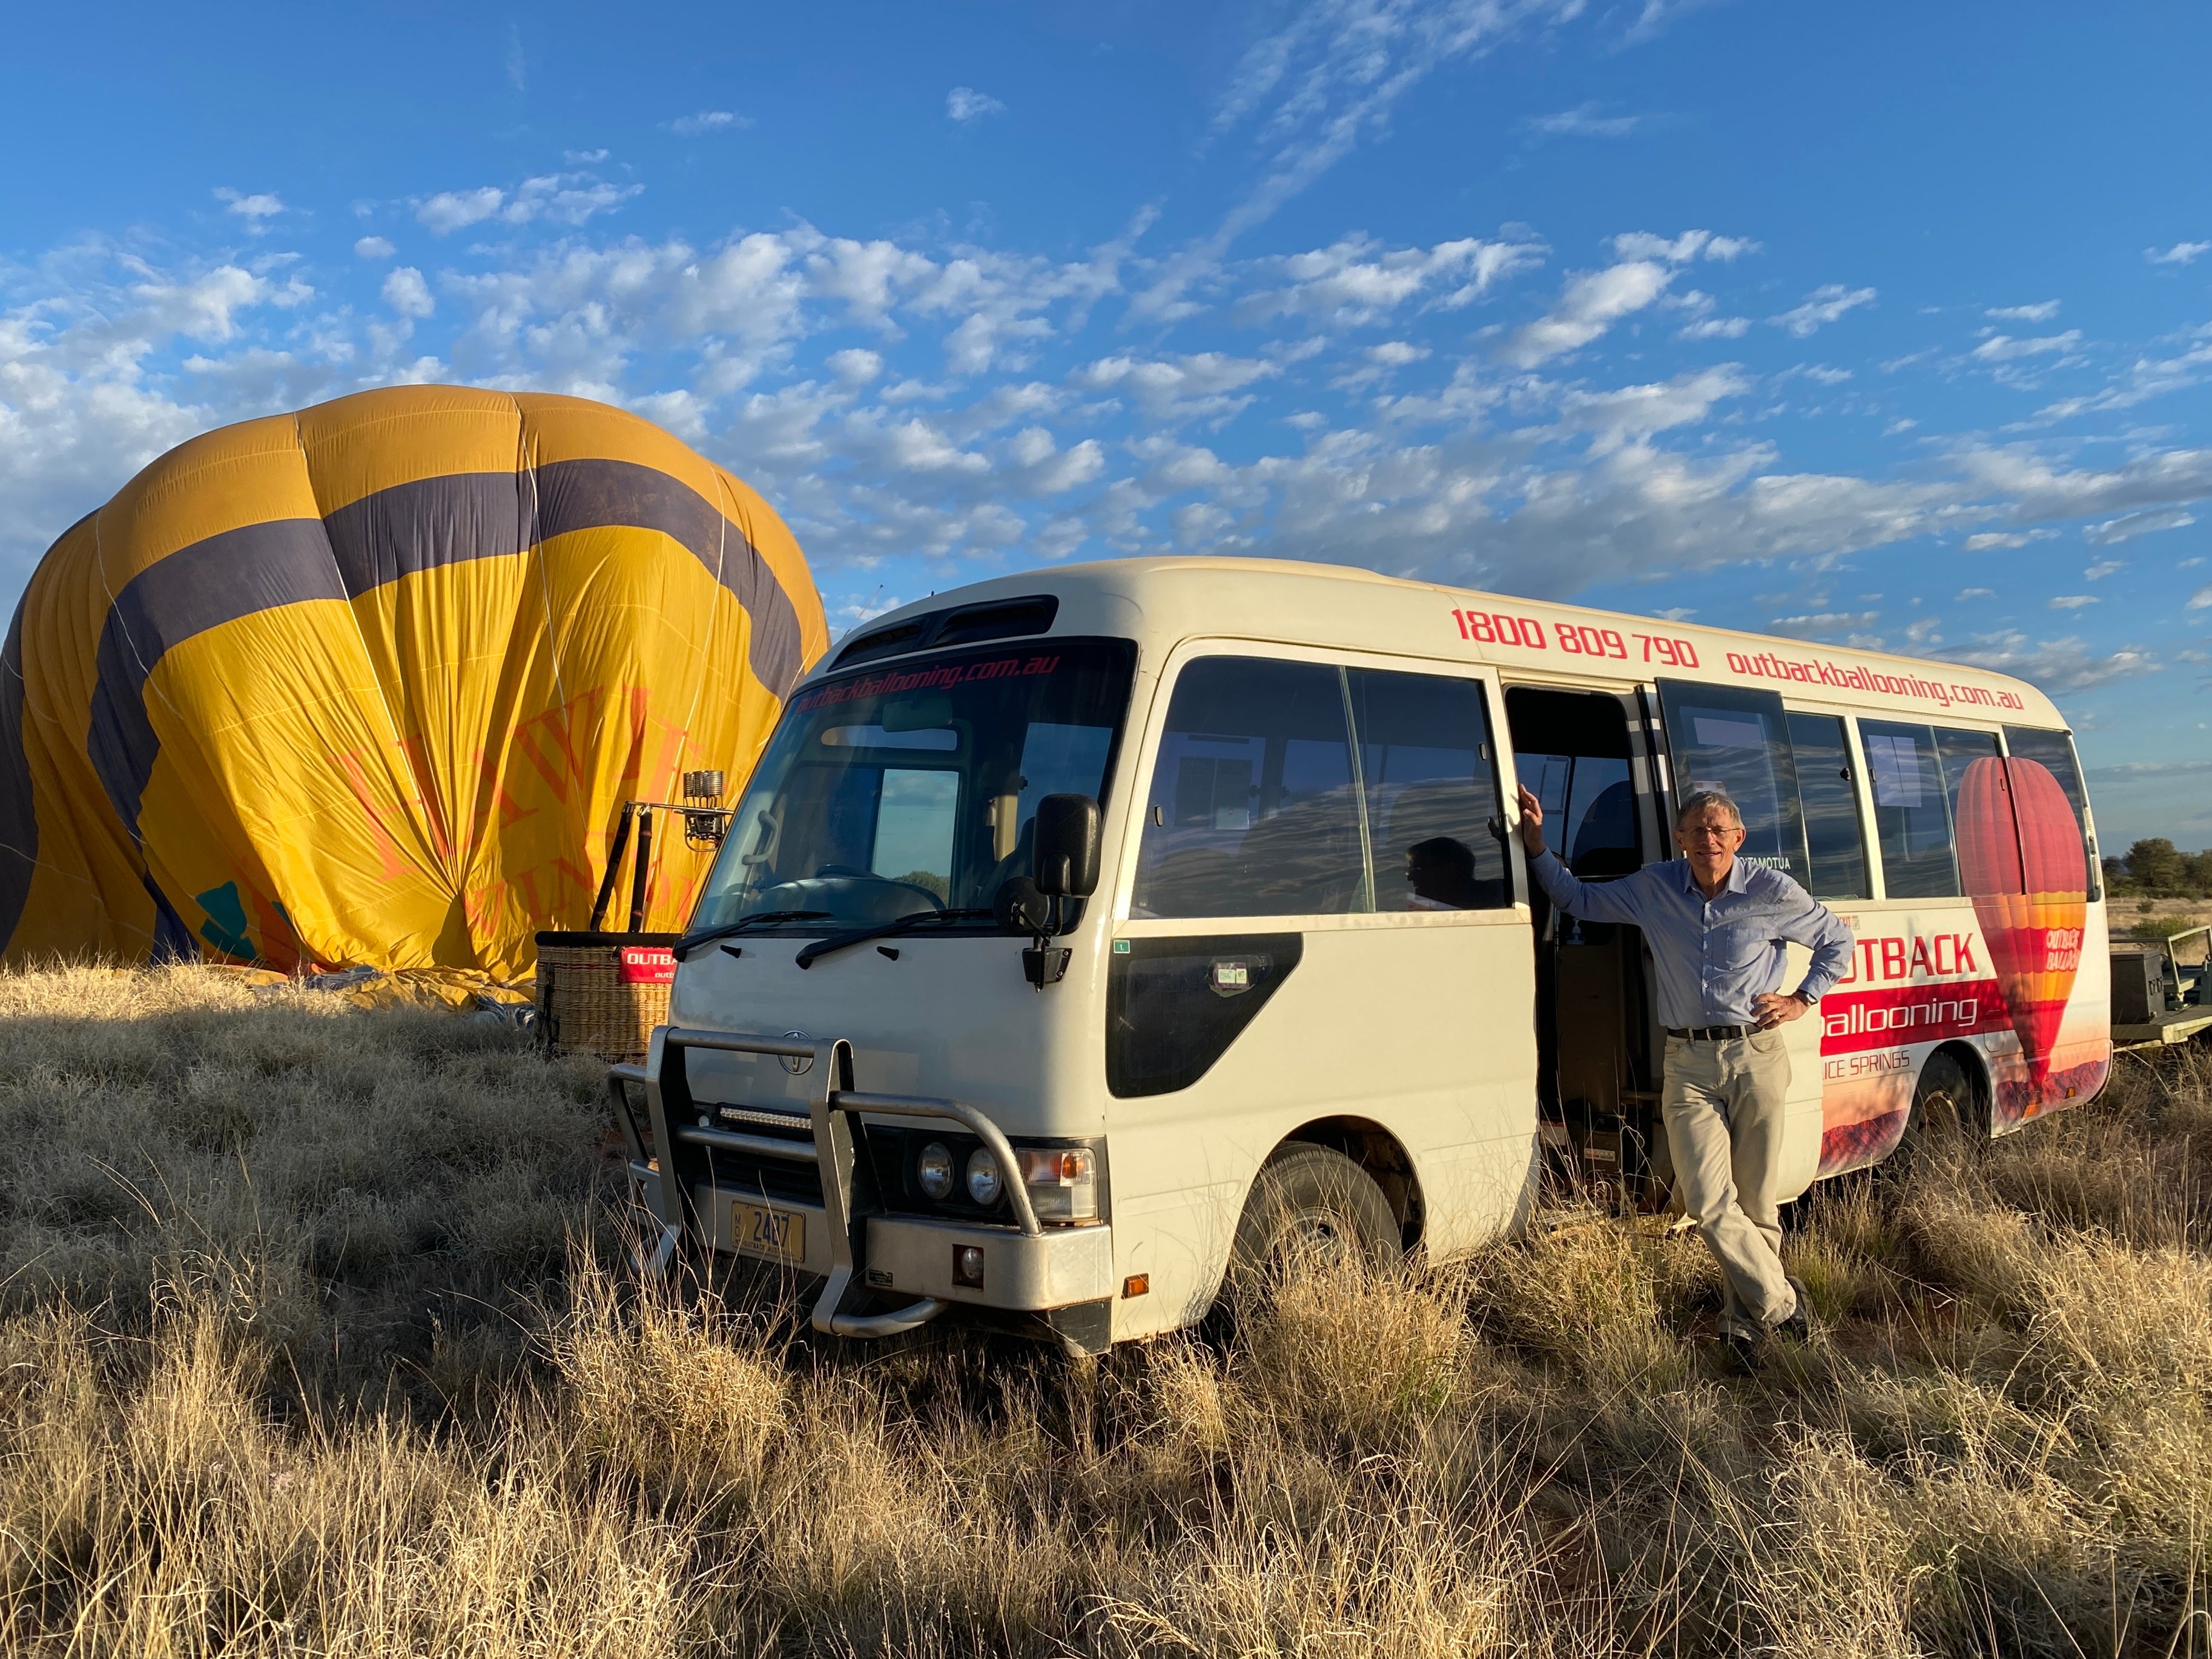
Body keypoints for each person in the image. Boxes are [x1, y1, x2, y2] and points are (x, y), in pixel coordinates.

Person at [1514, 783, 1854, 1357]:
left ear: (1739, 839)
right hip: (1688, 1062)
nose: (1708, 839)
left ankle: (1741, 1328)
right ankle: (1783, 1305)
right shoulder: (1654, 887)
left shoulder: (1772, 890)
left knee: (1756, 1203)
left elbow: (1837, 941)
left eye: (1719, 829)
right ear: (1679, 839)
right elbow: (1579, 901)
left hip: (1757, 1056)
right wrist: (1537, 846)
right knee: (1705, 1201)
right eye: (1696, 830)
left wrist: (1801, 999)